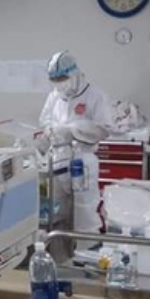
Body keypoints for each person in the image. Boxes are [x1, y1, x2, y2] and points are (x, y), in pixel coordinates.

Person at [38, 51, 113, 233]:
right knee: (56, 214)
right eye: (54, 80)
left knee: (84, 213)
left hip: (82, 162)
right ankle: (59, 249)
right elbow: (45, 121)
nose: (59, 83)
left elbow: (104, 128)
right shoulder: (54, 96)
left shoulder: (95, 96)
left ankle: (85, 249)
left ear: (74, 73)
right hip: (57, 161)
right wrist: (48, 133)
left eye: (62, 78)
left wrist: (73, 131)